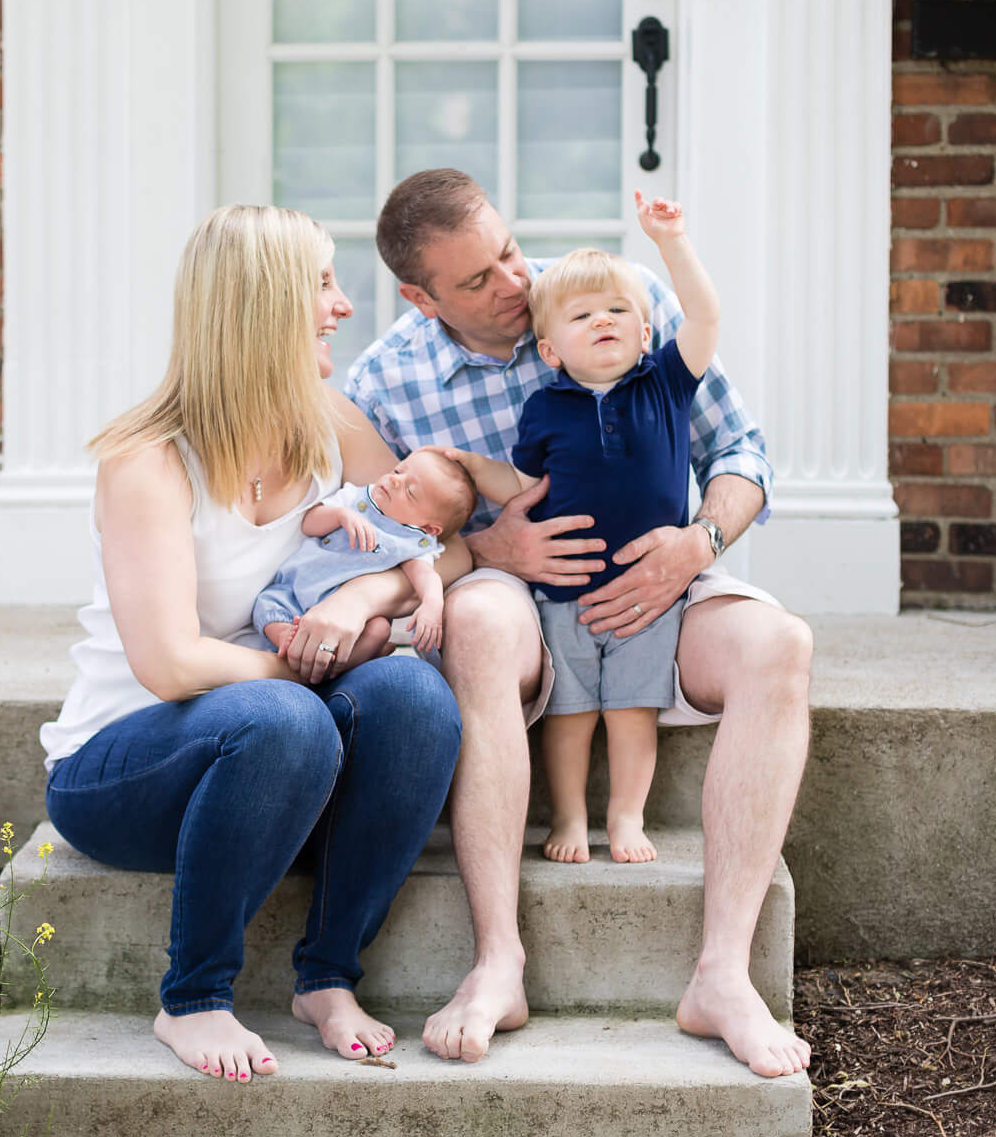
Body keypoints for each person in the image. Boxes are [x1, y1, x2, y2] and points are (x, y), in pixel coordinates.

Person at [335, 169, 813, 1078]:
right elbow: (381, 554)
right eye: (476, 281)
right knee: (472, 623)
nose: (512, 282)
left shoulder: (613, 299)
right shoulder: (385, 383)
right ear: (419, 295)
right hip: (516, 603)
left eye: (508, 251)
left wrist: (698, 538)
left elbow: (742, 452)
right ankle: (498, 961)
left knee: (782, 645)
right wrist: (488, 551)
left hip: (660, 585)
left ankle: (722, 975)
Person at [37, 204, 463, 1084]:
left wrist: (363, 595)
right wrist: (308, 673)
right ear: (261, 306)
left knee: (414, 697)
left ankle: (327, 977)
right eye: (322, 283)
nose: (343, 305)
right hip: (128, 766)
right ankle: (192, 997)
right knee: (286, 717)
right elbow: (171, 663)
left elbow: (435, 537)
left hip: (276, 764)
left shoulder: (326, 425)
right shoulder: (149, 461)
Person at [442, 191, 720, 868]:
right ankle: (568, 813)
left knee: (630, 713)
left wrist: (671, 242)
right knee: (569, 715)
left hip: (647, 596)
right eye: (584, 314)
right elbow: (526, 486)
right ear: (551, 349)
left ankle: (626, 814)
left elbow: (707, 316)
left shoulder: (663, 385)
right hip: (561, 593)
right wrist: (474, 469)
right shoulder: (545, 409)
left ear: (647, 333)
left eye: (620, 311)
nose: (605, 320)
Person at [251, 448, 478, 660]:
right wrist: (340, 516)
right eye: (398, 471)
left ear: (428, 528)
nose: (395, 480)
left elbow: (425, 575)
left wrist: (432, 602)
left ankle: (344, 663)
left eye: (410, 491)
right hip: (296, 590)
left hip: (346, 620)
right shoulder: (354, 498)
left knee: (379, 629)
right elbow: (309, 524)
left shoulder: (412, 542)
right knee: (267, 604)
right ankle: (286, 638)